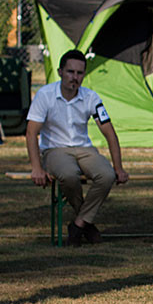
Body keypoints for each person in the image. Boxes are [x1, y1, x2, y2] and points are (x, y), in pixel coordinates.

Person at [26, 49, 129, 246]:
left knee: (106, 175)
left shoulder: (91, 97)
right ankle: (87, 224)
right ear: (60, 72)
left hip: (84, 149)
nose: (75, 77)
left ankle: (79, 223)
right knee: (69, 175)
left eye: (80, 73)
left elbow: (109, 132)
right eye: (70, 72)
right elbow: (31, 133)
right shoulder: (45, 95)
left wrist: (118, 167)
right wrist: (37, 167)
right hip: (55, 149)